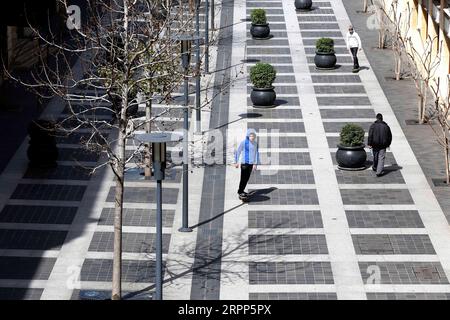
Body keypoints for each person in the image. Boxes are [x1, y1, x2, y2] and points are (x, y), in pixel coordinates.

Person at [234, 129, 260, 199]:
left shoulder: (255, 144)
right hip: (244, 164)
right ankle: (240, 191)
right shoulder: (244, 143)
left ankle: (242, 190)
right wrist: (236, 162)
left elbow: (257, 153)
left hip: (251, 164)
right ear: (248, 136)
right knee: (243, 178)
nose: (252, 137)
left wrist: (255, 164)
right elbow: (238, 151)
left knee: (247, 178)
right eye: (251, 136)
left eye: (253, 136)